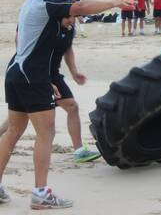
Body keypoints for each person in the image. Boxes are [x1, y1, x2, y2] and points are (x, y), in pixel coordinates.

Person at [0, 0, 131, 209]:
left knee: (13, 131)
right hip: (31, 76)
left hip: (18, 72)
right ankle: (40, 193)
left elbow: (26, 43)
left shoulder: (31, 2)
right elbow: (80, 6)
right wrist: (114, 3)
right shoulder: (48, 3)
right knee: (45, 133)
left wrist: (45, 78)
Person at [0, 16, 101, 163]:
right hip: (33, 73)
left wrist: (74, 72)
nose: (71, 21)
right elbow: (21, 44)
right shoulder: (46, 28)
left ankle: (79, 150)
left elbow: (68, 50)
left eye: (73, 17)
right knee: (20, 116)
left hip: (52, 74)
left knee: (72, 106)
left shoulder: (70, 29)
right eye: (67, 17)